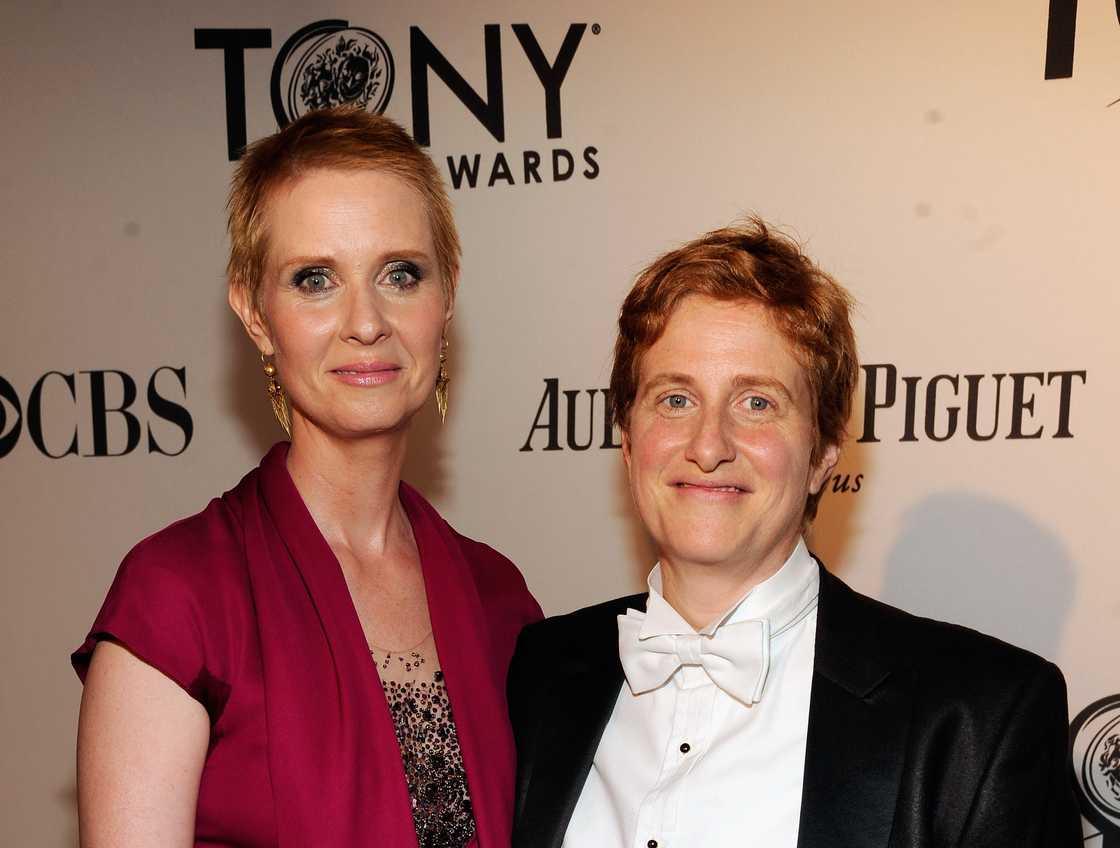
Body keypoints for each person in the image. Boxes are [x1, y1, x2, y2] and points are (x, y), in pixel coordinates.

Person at [507, 220, 1081, 847]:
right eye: (675, 399)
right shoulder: (541, 673)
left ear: (824, 451)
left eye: (757, 402)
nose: (707, 445)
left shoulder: (980, 718)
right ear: (627, 437)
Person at [72, 106, 541, 848]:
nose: (365, 321)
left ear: (447, 294)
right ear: (254, 313)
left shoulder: (502, 602)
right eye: (315, 279)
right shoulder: (178, 598)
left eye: (401, 273)